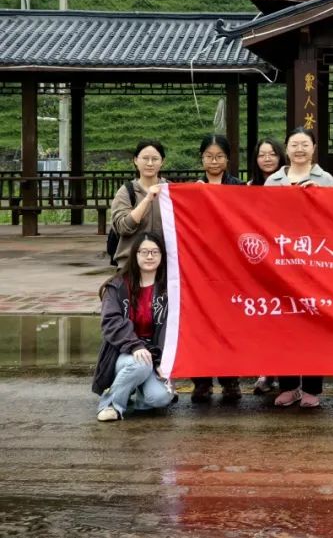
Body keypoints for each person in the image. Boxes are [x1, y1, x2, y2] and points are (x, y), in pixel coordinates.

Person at [265, 127, 333, 407]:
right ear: (286, 148)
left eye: (305, 144)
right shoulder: (273, 181)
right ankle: (288, 385)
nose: (299, 149)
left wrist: (319, 196)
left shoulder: (325, 179)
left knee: (314, 326)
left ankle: (312, 389)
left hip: (316, 263)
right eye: (294, 144)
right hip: (281, 264)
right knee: (285, 324)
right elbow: (261, 218)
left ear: (314, 148)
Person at [92, 232, 175, 421]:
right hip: (123, 352)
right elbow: (110, 322)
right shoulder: (117, 285)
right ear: (135, 255)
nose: (149, 256)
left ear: (162, 256)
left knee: (160, 397)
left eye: (155, 252)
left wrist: (163, 362)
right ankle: (111, 404)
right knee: (140, 364)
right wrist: (135, 346)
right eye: (144, 252)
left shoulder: (169, 288)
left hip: (154, 354)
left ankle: (131, 387)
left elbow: (172, 328)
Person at [192, 134, 244, 403]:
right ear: (201, 159)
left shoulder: (239, 188)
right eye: (209, 157)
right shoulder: (192, 189)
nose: (214, 161)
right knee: (200, 325)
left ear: (228, 159)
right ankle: (201, 381)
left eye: (219, 156)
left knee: (229, 326)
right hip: (199, 267)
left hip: (230, 269)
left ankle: (230, 380)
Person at [247, 136, 286, 396]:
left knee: (284, 318)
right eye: (262, 154)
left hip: (285, 258)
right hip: (258, 261)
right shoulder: (248, 187)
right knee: (263, 318)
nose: (267, 159)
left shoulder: (288, 182)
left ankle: (286, 372)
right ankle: (266, 371)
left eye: (272, 153)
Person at [109, 139, 168, 270]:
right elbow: (123, 227)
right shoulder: (126, 191)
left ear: (162, 161)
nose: (150, 163)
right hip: (131, 265)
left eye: (155, 159)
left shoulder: (170, 190)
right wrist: (147, 199)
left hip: (164, 265)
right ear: (136, 160)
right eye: (145, 158)